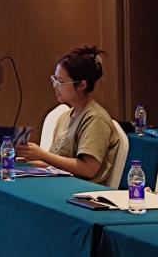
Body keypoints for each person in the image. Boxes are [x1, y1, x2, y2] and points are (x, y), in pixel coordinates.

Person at [16, 45, 120, 185]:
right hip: (60, 183)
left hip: (82, 190)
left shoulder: (95, 119)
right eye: (54, 79)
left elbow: (88, 169)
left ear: (82, 85)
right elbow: (56, 164)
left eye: (61, 81)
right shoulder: (65, 116)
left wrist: (42, 155)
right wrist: (26, 161)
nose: (55, 86)